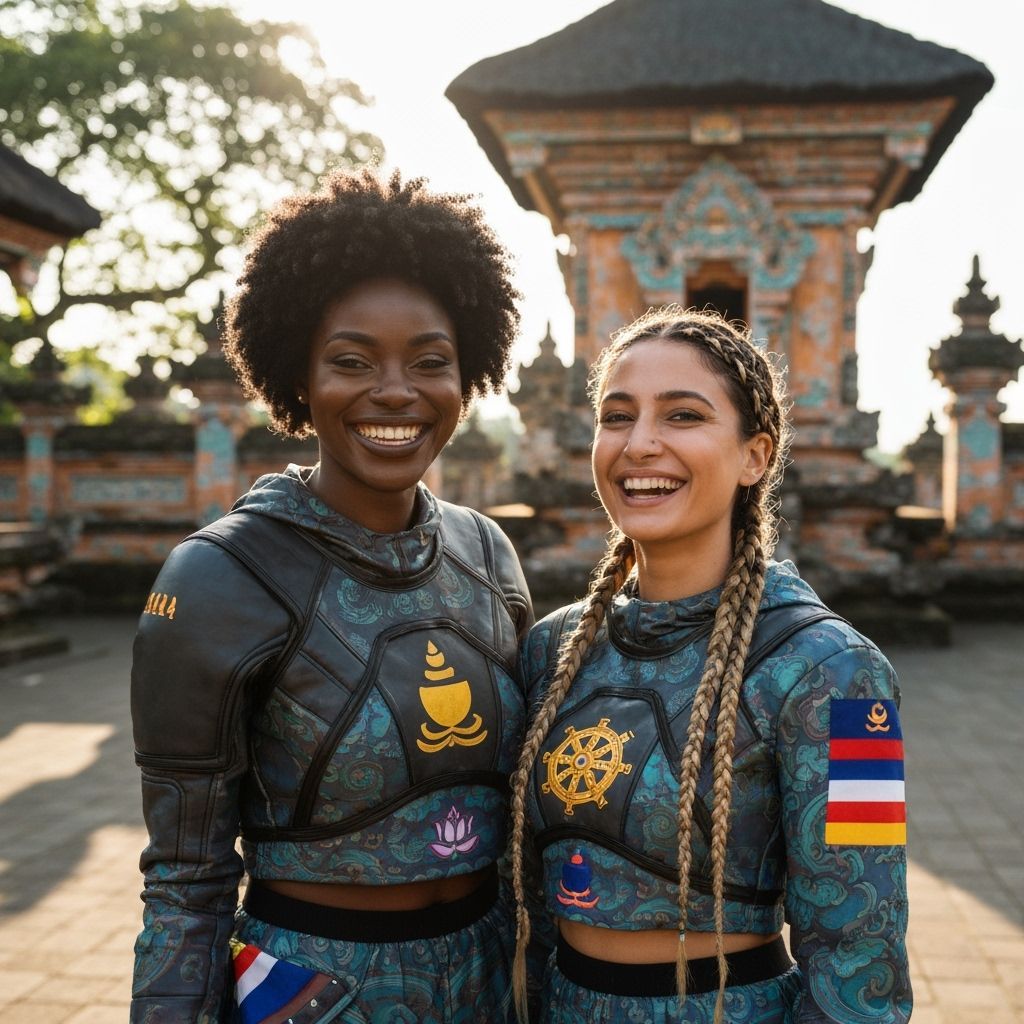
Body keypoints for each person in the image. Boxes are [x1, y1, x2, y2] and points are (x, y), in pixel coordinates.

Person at [130, 169, 533, 1023]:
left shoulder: (488, 554)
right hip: (313, 992)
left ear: (469, 375)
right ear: (299, 377)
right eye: (352, 362)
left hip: (491, 980)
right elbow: (185, 878)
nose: (396, 391)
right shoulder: (219, 578)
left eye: (430, 362)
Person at [509, 308, 911, 1023]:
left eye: (683, 416)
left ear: (755, 456)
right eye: (617, 417)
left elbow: (862, 953)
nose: (639, 444)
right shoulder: (553, 649)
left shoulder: (839, 674)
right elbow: (528, 904)